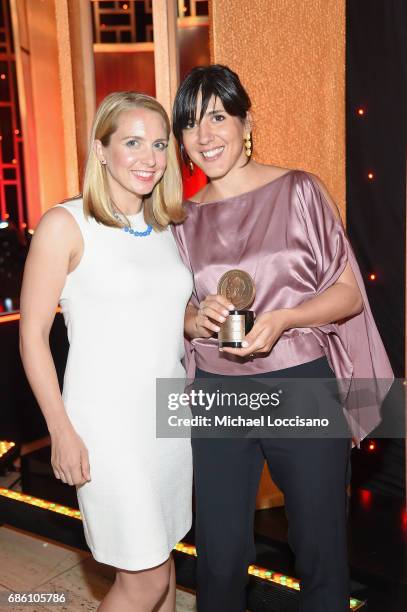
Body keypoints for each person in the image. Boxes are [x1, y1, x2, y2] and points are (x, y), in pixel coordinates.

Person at [171, 65, 393, 612]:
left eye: (218, 116)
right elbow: (174, 311)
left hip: (299, 383)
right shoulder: (179, 218)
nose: (205, 135)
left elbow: (347, 294)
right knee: (219, 561)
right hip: (217, 394)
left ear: (247, 122)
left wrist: (286, 319)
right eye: (191, 124)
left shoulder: (299, 190)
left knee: (319, 552)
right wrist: (195, 319)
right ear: (180, 140)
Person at [20, 92, 193, 612]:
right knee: (141, 581)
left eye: (159, 144)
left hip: (166, 420)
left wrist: (194, 321)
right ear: (101, 149)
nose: (149, 157)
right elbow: (32, 339)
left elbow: (148, 318)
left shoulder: (163, 226)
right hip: (107, 428)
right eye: (132, 142)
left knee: (162, 565)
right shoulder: (65, 225)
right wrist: (62, 431)